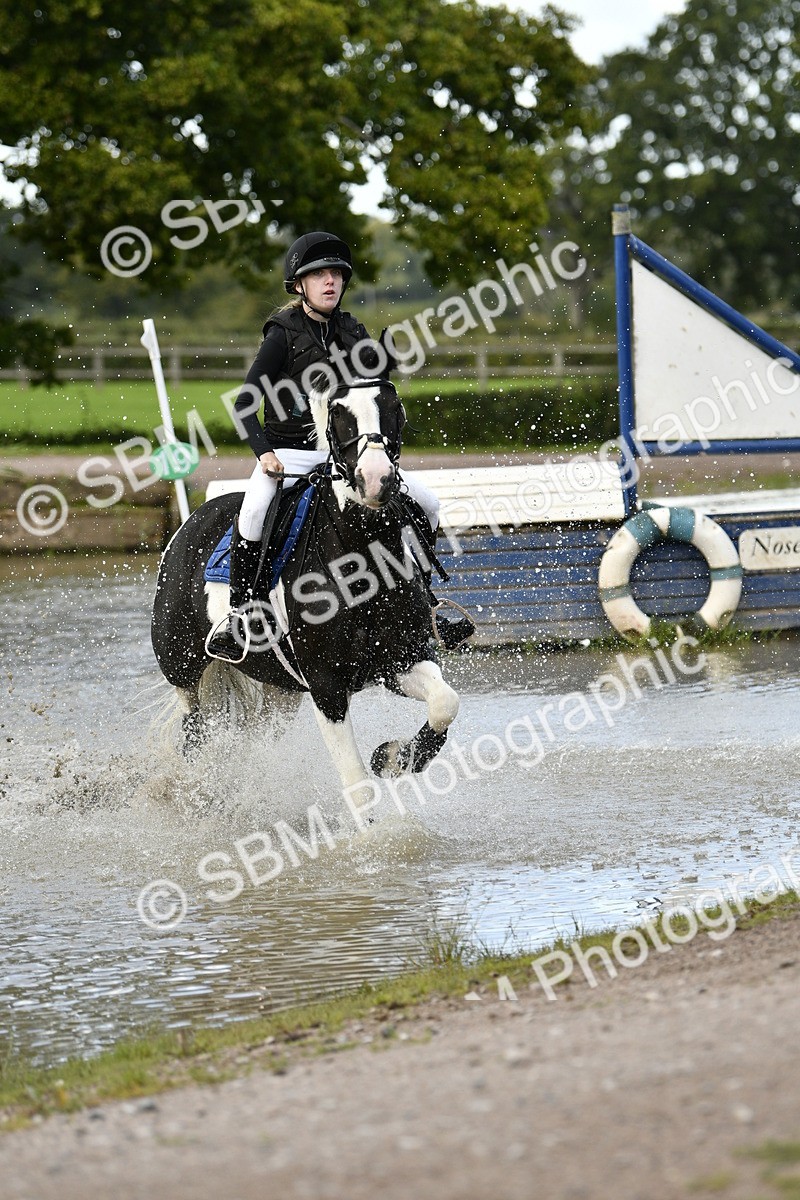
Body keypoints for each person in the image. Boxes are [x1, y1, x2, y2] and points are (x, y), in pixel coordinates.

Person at [206, 230, 474, 662]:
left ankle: (427, 607)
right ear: (300, 285)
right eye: (319, 276)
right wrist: (265, 455)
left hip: (340, 459)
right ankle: (240, 615)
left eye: (335, 275)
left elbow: (374, 392)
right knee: (254, 512)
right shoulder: (282, 334)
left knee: (427, 503)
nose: (330, 282)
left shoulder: (351, 330)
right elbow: (243, 405)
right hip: (288, 455)